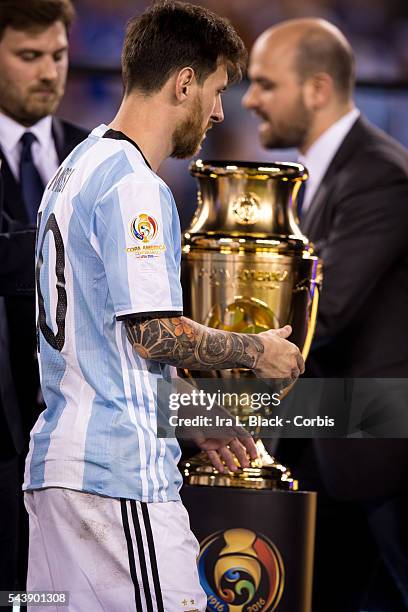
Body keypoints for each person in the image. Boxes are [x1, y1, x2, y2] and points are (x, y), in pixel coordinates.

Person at [23, 2, 304, 611]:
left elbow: (110, 343)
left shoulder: (75, 167)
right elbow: (154, 335)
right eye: (218, 89)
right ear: (184, 83)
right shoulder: (135, 185)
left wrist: (193, 414)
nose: (220, 111)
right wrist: (258, 350)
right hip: (117, 481)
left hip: (59, 473)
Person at [243, 17, 408, 611]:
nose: (250, 99)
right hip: (331, 446)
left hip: (381, 457)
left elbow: (325, 311)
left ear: (316, 89)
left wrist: (214, 345)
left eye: (264, 83)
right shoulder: (321, 176)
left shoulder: (378, 175)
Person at [0, 0, 88, 593]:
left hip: (77, 436)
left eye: (57, 55)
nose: (49, 72)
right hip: (3, 436)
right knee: (11, 592)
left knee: (61, 595)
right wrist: (78, 244)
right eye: (29, 56)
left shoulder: (92, 153)